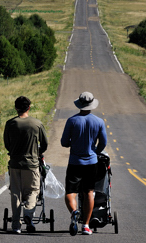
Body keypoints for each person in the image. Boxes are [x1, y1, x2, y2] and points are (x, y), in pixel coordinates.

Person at [61, 92, 107, 236]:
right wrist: (95, 151)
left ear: (79, 104)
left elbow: (63, 142)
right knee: (89, 192)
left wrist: (72, 144)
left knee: (70, 192)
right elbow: (103, 142)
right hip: (92, 162)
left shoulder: (72, 120)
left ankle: (75, 212)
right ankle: (86, 225)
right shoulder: (99, 121)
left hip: (75, 161)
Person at [4, 96, 48, 234]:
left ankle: (16, 225)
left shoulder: (10, 124)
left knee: (16, 193)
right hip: (31, 163)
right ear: (29, 107)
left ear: (16, 107)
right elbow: (45, 144)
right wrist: (37, 152)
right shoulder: (37, 124)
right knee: (33, 191)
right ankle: (28, 214)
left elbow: (7, 144)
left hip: (15, 163)